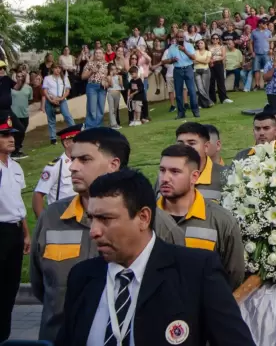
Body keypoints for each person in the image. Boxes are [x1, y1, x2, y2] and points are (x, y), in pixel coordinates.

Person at [54, 168, 255, 346]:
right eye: (92, 218)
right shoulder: (82, 277)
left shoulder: (196, 271)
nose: (94, 231)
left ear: (143, 218)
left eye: (105, 219)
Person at [30, 128, 184, 342]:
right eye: (72, 159)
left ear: (114, 165)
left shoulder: (157, 224)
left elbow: (181, 289)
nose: (72, 168)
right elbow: (40, 286)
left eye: (84, 159)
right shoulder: (51, 218)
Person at [156, 144, 245, 289]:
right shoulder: (145, 218)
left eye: (175, 171)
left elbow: (234, 276)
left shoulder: (222, 221)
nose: (165, 178)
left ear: (194, 177)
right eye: (162, 170)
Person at [0, 114, 30, 342]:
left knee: (10, 286)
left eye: (12, 135)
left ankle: (4, 334)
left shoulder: (16, 167)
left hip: (15, 230)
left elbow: (18, 203)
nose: (11, 139)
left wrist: (26, 232)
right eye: (5, 135)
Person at [32, 124, 81, 218]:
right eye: (78, 140)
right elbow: (38, 194)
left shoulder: (85, 163)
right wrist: (43, 223)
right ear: (67, 143)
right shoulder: (55, 166)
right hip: (62, 218)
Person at [170, 122, 225, 201]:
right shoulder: (166, 175)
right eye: (180, 143)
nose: (185, 147)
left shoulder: (225, 176)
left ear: (206, 147)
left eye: (191, 143)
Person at [162, 30, 199, 119]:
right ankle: (181, 113)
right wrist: (171, 60)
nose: (179, 39)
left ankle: (195, 111)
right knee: (178, 93)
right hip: (177, 70)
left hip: (188, 69)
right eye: (178, 37)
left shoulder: (189, 46)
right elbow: (164, 61)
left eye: (181, 37)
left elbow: (194, 57)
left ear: (184, 38)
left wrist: (184, 50)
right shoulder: (172, 47)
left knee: (192, 91)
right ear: (175, 38)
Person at [42, 63, 76, 143]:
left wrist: (61, 98)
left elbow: (67, 90)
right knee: (51, 119)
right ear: (52, 69)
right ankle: (53, 138)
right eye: (55, 68)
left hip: (62, 100)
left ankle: (75, 132)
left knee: (67, 116)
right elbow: (45, 90)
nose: (57, 70)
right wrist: (51, 100)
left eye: (59, 68)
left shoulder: (64, 78)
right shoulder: (47, 78)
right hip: (50, 99)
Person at [82, 48, 110, 129]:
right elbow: (83, 77)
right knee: (92, 108)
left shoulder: (107, 64)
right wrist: (91, 71)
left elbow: (110, 76)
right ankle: (90, 127)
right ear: (94, 54)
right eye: (96, 53)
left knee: (100, 108)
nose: (98, 54)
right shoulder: (89, 64)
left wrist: (107, 81)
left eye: (100, 53)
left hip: (102, 87)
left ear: (103, 54)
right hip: (92, 86)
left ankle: (97, 127)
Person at [11, 67, 32, 159]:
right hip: (14, 114)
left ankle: (17, 149)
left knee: (22, 132)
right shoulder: (12, 88)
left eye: (21, 76)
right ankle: (14, 151)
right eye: (18, 76)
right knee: (17, 132)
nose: (20, 78)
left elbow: (29, 99)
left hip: (24, 114)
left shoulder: (28, 88)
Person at [208, 34, 232, 104]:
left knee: (220, 81)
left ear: (219, 39)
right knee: (211, 81)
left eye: (216, 38)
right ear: (211, 39)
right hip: (211, 65)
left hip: (219, 64)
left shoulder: (222, 47)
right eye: (213, 38)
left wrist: (214, 60)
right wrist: (210, 61)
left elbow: (223, 57)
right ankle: (212, 99)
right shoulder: (208, 47)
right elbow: (207, 55)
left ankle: (223, 98)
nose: (215, 40)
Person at [251, 19, 272, 90]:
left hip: (266, 53)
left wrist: (271, 48)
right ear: (260, 24)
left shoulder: (268, 32)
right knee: (256, 69)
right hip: (256, 54)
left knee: (267, 69)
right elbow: (250, 43)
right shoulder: (254, 32)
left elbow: (271, 41)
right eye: (264, 24)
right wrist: (252, 52)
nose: (266, 25)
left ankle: (267, 84)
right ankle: (257, 85)